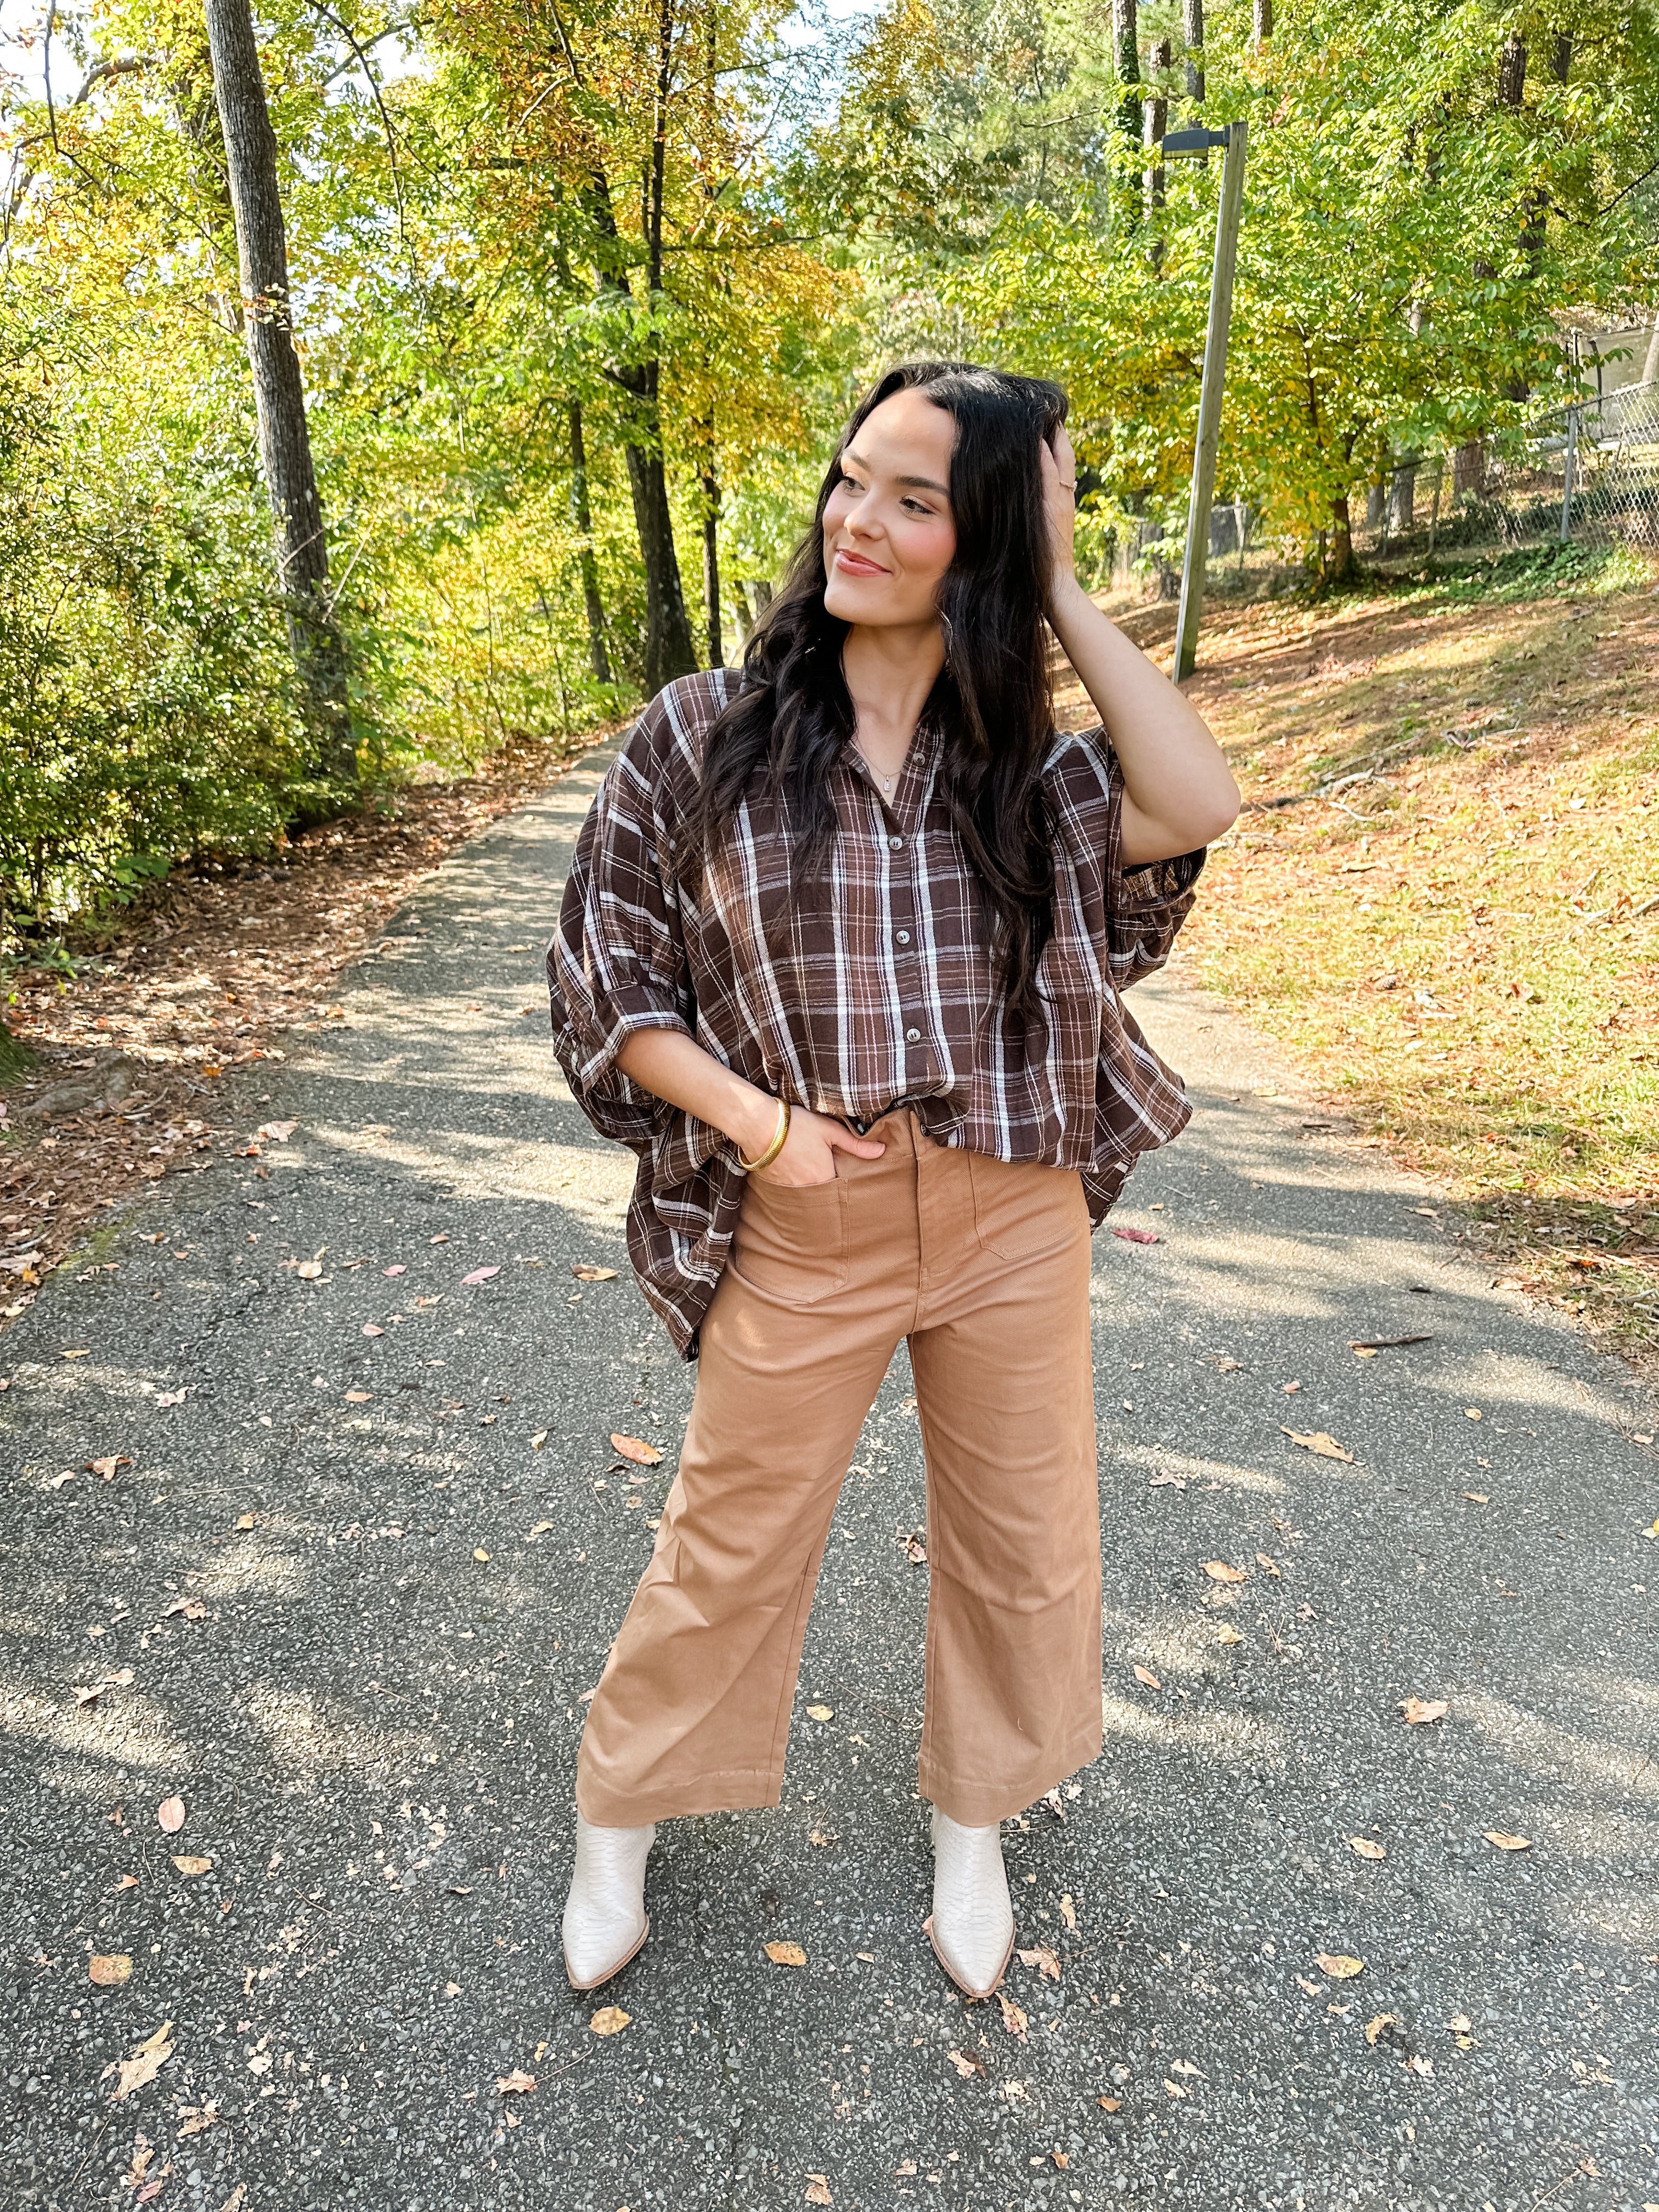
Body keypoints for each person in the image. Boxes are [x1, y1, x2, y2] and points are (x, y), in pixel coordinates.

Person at [548, 360, 1239, 1999]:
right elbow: (607, 982)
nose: (859, 518)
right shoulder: (702, 733)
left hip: (1011, 1210)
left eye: (919, 498)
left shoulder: (1036, 774)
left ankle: (975, 1821)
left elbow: (1198, 799)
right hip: (808, 1204)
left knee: (1021, 1537)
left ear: (984, 536)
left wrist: (1061, 579)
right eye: (856, 477)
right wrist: (767, 1131)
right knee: (730, 1538)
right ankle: (618, 1812)